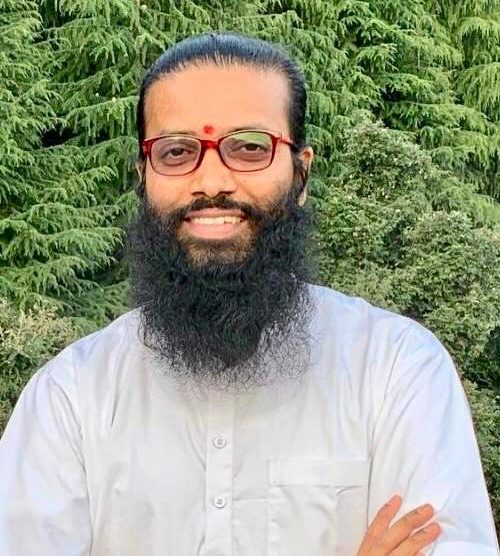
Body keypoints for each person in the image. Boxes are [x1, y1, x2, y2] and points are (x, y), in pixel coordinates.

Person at [0, 32, 498, 556]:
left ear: (301, 173)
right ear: (143, 178)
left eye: (249, 148)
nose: (212, 181)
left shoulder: (396, 369)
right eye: (177, 152)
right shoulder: (71, 397)